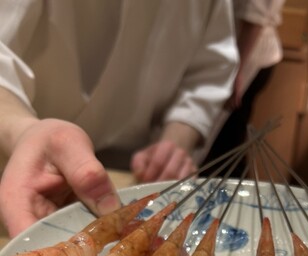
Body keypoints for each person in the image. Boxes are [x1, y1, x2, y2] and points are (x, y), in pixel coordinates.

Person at [0, 0, 239, 237]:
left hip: (135, 172)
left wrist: (175, 142)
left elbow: (211, 68)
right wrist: (23, 131)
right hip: (24, 169)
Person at [200, 0, 285, 177]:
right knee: (226, 144)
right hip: (237, 52)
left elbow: (255, 18)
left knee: (224, 148)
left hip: (246, 54)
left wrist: (236, 70)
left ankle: (230, 192)